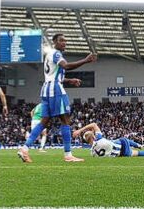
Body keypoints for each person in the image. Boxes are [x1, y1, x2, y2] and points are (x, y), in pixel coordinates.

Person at [18, 33, 96, 163]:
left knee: (44, 121)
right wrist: (86, 60)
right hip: (55, 89)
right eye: (61, 41)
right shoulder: (56, 54)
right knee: (65, 120)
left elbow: (54, 76)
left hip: (47, 88)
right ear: (54, 42)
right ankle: (68, 154)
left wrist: (70, 80)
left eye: (65, 41)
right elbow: (66, 66)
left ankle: (24, 149)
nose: (64, 43)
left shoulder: (50, 55)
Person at [73, 122, 144, 158]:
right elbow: (94, 125)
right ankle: (140, 145)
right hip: (122, 144)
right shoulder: (99, 138)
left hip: (120, 153)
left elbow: (92, 138)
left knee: (137, 153)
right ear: (93, 136)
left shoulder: (92, 153)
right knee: (123, 139)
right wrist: (80, 130)